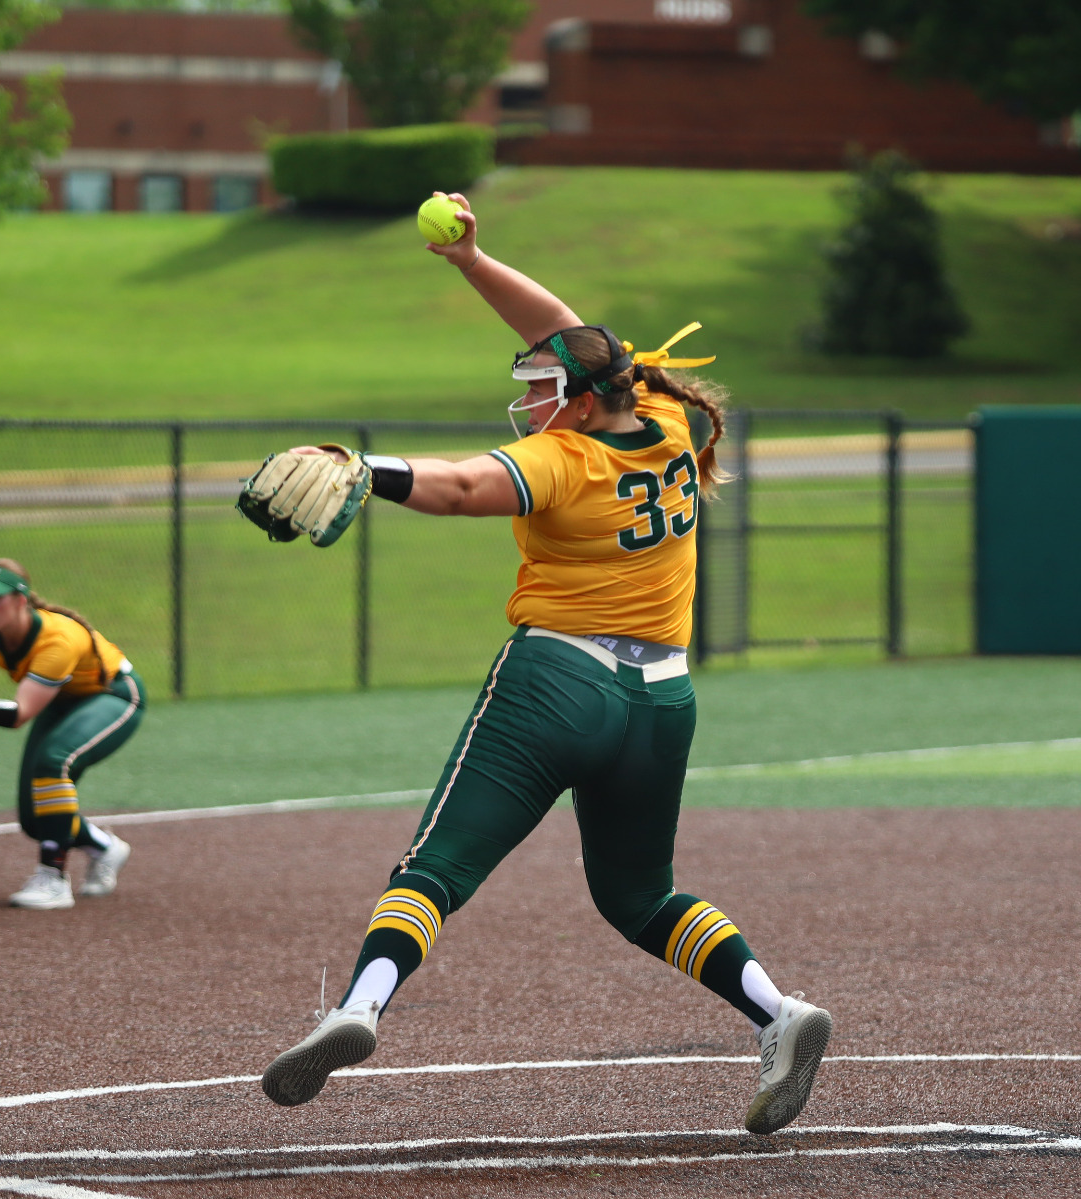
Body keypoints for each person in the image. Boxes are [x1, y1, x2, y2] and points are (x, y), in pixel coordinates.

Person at [255, 191, 833, 1135]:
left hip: (555, 685)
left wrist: (369, 468)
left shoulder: (567, 463)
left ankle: (358, 1010)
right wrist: (471, 261)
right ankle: (778, 1010)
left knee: (436, 868)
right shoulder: (663, 422)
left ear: (576, 397)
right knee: (641, 896)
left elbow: (461, 489)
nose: (527, 401)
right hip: (662, 702)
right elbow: (570, 332)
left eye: (537, 387)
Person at [0, 559, 143, 909]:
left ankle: (53, 879)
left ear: (21, 601)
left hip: (113, 695)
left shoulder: (57, 639)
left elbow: (19, 714)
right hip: (63, 700)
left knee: (54, 761)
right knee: (36, 819)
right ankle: (103, 847)